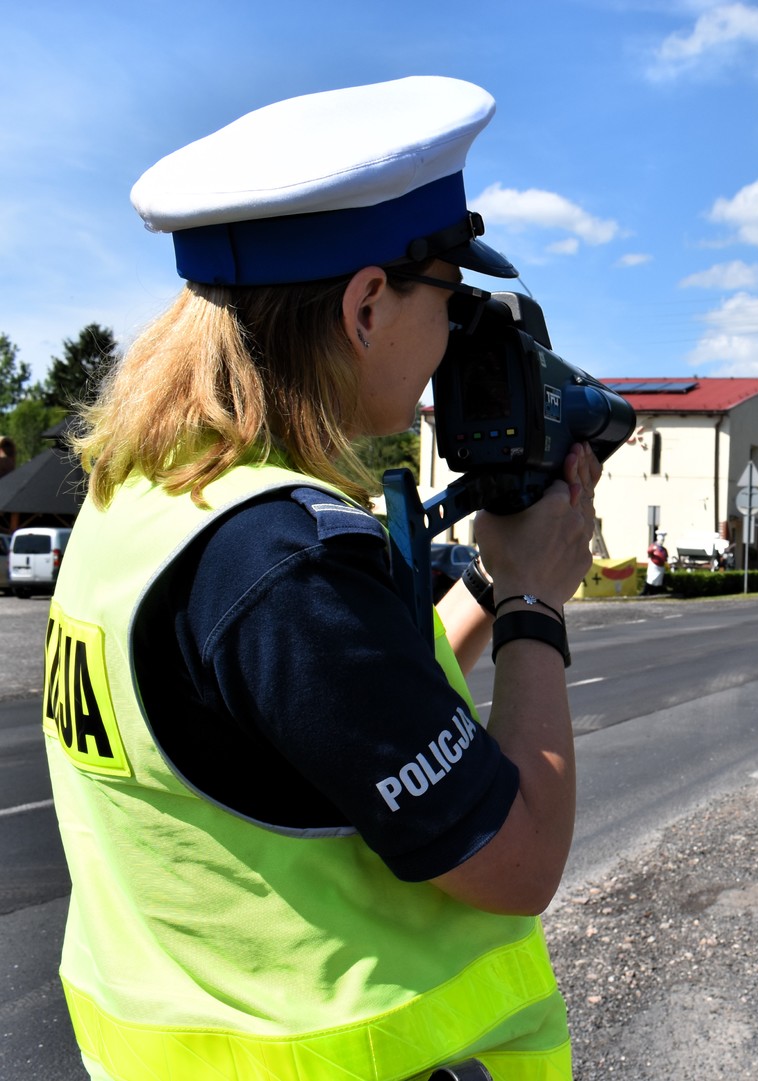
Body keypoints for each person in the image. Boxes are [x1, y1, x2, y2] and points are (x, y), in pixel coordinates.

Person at [43, 77, 598, 1081]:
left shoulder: (141, 502)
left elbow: (323, 713)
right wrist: (533, 607)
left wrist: (487, 577)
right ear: (368, 304)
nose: (448, 351)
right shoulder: (284, 566)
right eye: (448, 300)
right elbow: (520, 863)